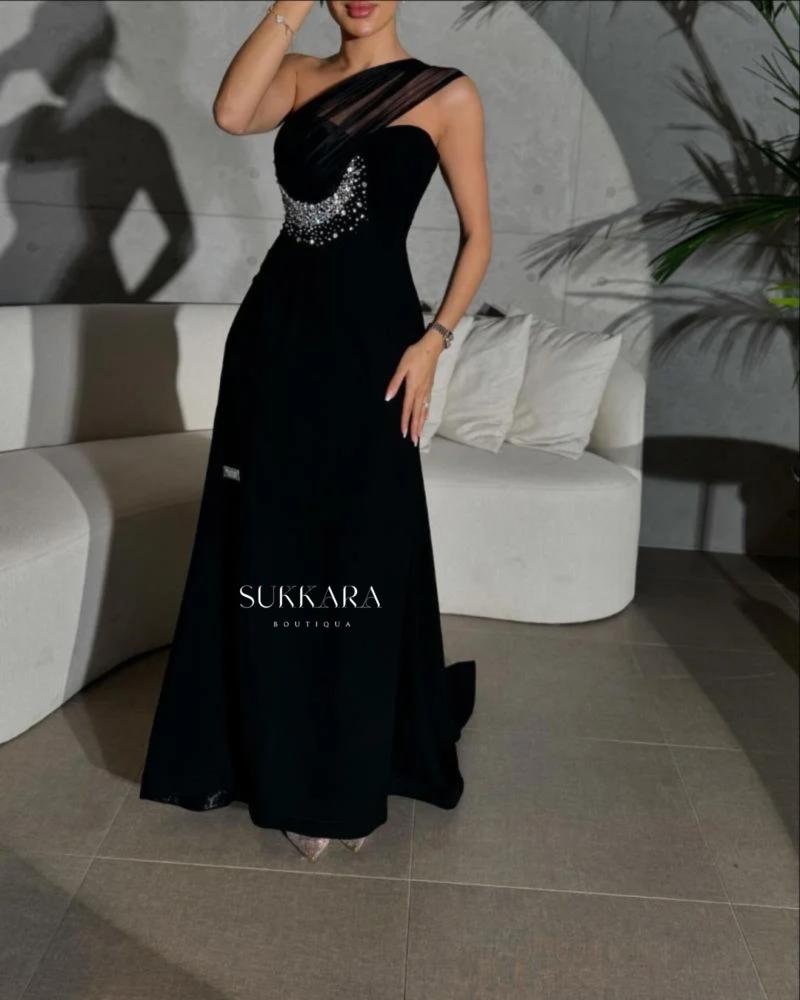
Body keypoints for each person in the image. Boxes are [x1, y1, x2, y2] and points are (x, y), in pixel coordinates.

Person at [139, 0, 492, 863]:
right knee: (274, 539)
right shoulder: (298, 76)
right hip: (276, 337)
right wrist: (288, 8)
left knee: (361, 544)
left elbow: (480, 238)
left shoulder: (446, 93)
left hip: (376, 346)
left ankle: (344, 768)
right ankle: (279, 757)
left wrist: (435, 342)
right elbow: (231, 114)